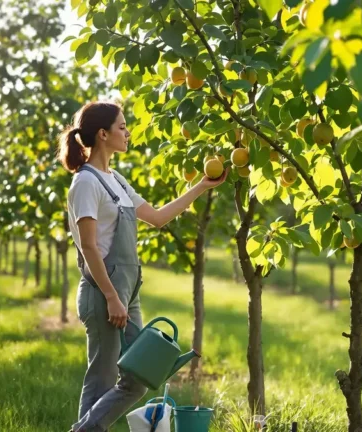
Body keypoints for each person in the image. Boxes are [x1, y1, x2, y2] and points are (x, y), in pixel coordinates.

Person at [58, 101, 227, 432]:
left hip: (127, 292)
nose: (128, 133)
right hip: (103, 292)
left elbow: (158, 218)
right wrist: (111, 297)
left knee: (135, 377)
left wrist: (203, 186)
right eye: (122, 127)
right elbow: (89, 246)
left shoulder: (116, 180)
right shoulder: (86, 183)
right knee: (105, 379)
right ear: (103, 134)